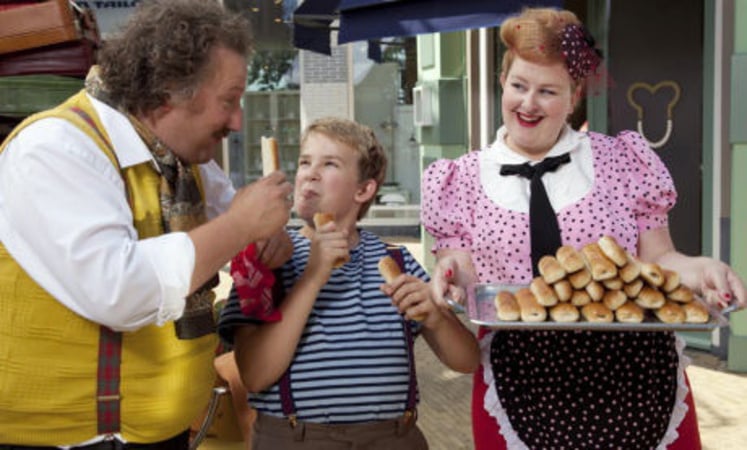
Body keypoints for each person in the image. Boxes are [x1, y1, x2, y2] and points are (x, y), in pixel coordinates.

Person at [421, 7, 747, 450]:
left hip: (634, 378)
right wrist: (451, 274)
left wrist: (701, 268)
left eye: (548, 91)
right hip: (521, 379)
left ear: (574, 96)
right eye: (519, 85)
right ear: (502, 81)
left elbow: (660, 260)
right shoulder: (460, 180)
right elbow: (459, 261)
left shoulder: (621, 161)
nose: (529, 103)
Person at [0, 0, 293, 448]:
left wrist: (266, 239)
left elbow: (233, 229)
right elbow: (119, 292)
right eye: (229, 101)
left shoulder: (177, 158)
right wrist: (241, 227)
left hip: (160, 435)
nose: (237, 121)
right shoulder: (55, 147)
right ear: (170, 91)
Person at [217, 117, 480, 449]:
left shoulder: (397, 263)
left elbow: (467, 361)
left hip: (394, 438)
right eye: (304, 162)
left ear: (364, 189)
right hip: (295, 439)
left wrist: (436, 317)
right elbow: (254, 375)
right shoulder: (264, 259)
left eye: (329, 164)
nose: (310, 173)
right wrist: (313, 276)